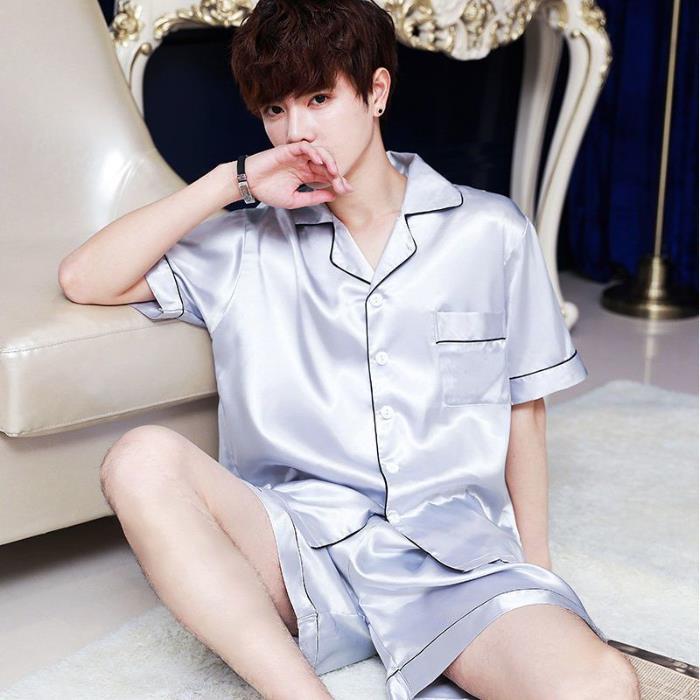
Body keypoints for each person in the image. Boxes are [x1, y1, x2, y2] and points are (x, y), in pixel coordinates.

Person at [58, 0, 641, 698]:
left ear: (376, 92)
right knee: (139, 459)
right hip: (296, 554)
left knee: (600, 685)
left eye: (318, 98)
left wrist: (536, 577)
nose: (296, 131)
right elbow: (84, 279)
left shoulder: (492, 232)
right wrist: (231, 182)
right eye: (275, 110)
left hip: (453, 563)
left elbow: (524, 411)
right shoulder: (243, 243)